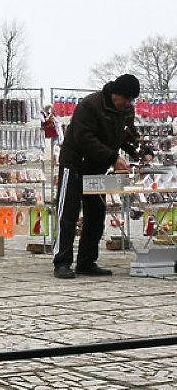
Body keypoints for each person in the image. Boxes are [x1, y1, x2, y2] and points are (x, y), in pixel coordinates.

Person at [52, 74, 143, 279]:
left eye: (131, 101)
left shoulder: (126, 110)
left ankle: (87, 261)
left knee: (96, 215)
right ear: (115, 94)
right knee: (68, 214)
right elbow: (84, 138)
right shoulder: (90, 105)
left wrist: (138, 149)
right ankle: (62, 262)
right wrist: (113, 157)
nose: (128, 104)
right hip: (74, 164)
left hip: (96, 168)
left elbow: (126, 134)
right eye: (126, 99)